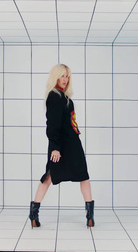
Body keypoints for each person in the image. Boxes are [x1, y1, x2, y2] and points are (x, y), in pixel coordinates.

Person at [29, 64, 95, 228]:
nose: (65, 79)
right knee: (49, 175)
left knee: (84, 176)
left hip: (73, 144)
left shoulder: (64, 97)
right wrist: (55, 147)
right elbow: (52, 125)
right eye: (62, 75)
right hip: (60, 145)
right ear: (55, 77)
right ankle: (33, 214)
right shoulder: (54, 96)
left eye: (67, 76)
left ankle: (90, 216)